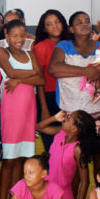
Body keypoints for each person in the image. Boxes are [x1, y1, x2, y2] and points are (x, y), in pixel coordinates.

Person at [49, 11, 100, 170]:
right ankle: (73, 196)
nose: (85, 24)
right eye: (79, 22)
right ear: (71, 29)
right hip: (73, 117)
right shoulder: (63, 46)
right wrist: (86, 71)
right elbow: (54, 68)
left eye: (87, 21)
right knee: (73, 163)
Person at [0, 20, 44, 199]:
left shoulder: (30, 54)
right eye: (14, 35)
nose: (18, 39)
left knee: (22, 159)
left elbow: (41, 79)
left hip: (28, 111)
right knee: (9, 159)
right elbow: (11, 72)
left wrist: (20, 78)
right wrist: (29, 74)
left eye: (22, 35)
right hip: (11, 110)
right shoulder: (3, 53)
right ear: (6, 36)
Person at [37, 110, 100, 199]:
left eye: (69, 118)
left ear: (74, 129)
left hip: (63, 194)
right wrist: (54, 118)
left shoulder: (77, 149)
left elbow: (85, 181)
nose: (65, 118)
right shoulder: (60, 133)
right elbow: (39, 127)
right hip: (45, 190)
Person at [34, 9, 71, 152]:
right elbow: (40, 81)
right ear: (44, 28)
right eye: (49, 24)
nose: (54, 26)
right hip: (48, 97)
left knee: (69, 142)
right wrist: (44, 109)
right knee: (52, 146)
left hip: (70, 97)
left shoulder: (70, 44)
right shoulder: (41, 47)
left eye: (57, 22)